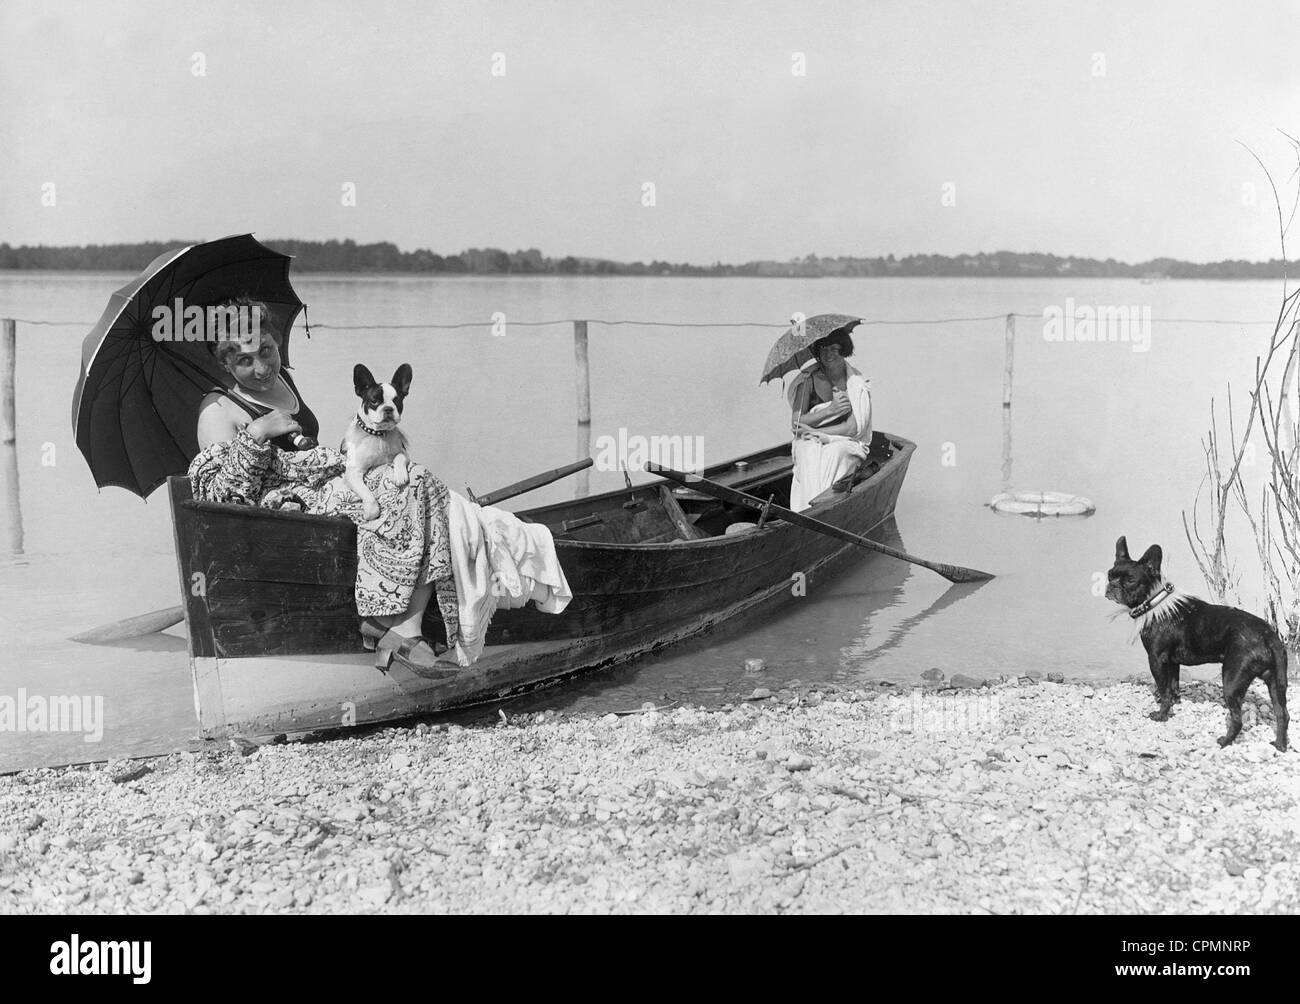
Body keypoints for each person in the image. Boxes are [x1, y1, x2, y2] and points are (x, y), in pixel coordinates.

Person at [189, 297, 459, 672]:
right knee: (416, 489)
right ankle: (393, 627)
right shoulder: (216, 409)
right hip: (285, 516)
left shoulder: (283, 383)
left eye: (267, 351)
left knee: (422, 481)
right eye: (244, 361)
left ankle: (401, 625)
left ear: (276, 342)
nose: (262, 367)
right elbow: (218, 497)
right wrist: (256, 433)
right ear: (225, 362)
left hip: (326, 488)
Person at [786, 328, 873, 512]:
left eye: (834, 348)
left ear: (844, 349)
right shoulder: (808, 380)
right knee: (808, 452)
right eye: (824, 349)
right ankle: (806, 511)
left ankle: (828, 507)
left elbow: (852, 428)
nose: (828, 354)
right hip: (809, 438)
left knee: (836, 453)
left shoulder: (855, 383)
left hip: (845, 440)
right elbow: (796, 423)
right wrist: (830, 410)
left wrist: (818, 432)